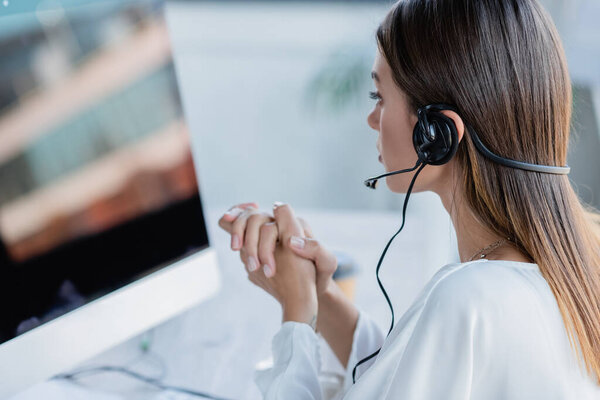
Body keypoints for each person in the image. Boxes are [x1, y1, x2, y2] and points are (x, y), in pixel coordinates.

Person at [217, 0, 600, 398]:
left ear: (437, 135)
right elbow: (410, 375)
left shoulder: (470, 299)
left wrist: (297, 311)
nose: (371, 118)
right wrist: (322, 294)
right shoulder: (569, 267)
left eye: (378, 96)